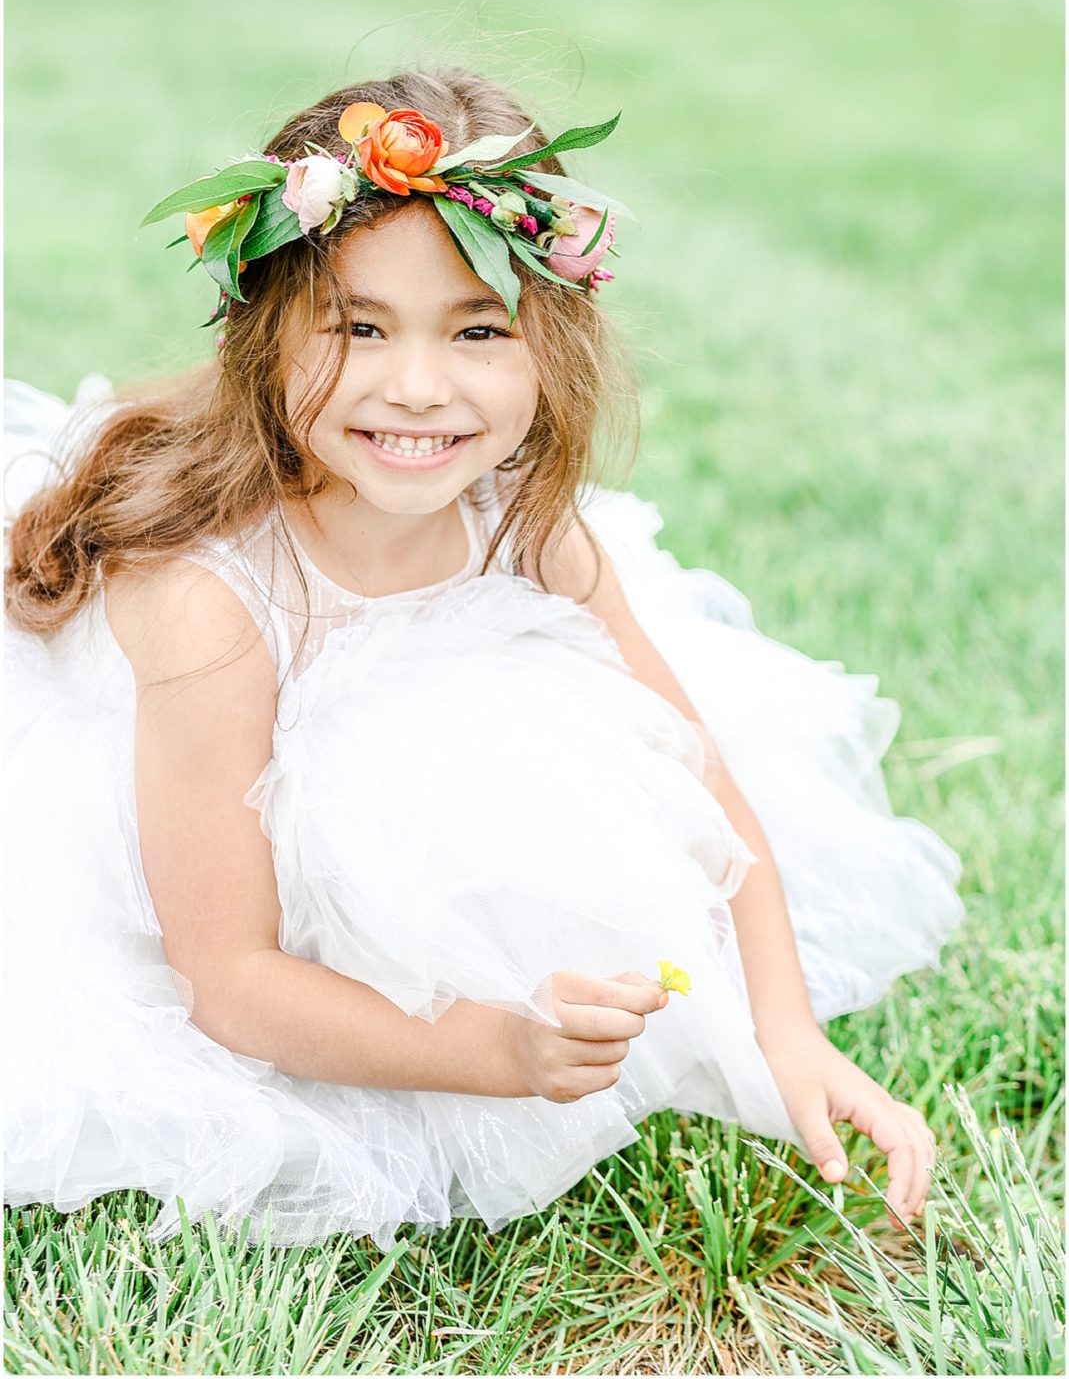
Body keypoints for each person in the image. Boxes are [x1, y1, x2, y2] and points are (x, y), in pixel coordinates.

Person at [4, 66, 965, 1251]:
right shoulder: (210, 605)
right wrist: (497, 1047)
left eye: (475, 329)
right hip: (183, 834)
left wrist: (787, 1030)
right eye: (357, 327)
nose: (417, 386)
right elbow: (229, 978)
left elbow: (698, 778)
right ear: (266, 338)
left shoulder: (524, 523)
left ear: (548, 345)